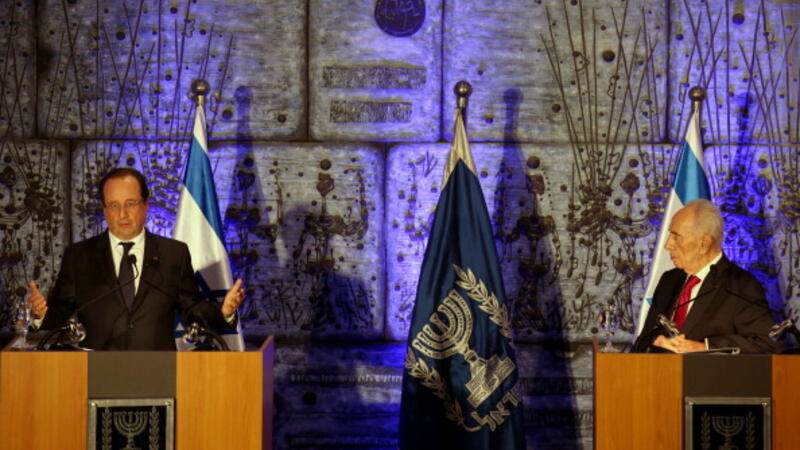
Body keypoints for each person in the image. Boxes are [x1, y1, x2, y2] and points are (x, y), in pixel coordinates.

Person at [25, 167, 245, 350]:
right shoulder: (79, 256)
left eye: (131, 203)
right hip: (96, 371)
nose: (122, 214)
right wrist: (41, 314)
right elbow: (61, 311)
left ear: (146, 205)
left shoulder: (173, 254)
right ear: (104, 209)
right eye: (114, 205)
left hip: (158, 371)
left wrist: (222, 312)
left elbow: (191, 308)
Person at [634, 199, 781, 353]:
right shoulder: (669, 280)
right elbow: (642, 341)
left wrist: (705, 347)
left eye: (676, 236)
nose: (667, 245)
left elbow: (767, 342)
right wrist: (657, 340)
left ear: (704, 244)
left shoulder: (740, 286)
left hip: (708, 369)